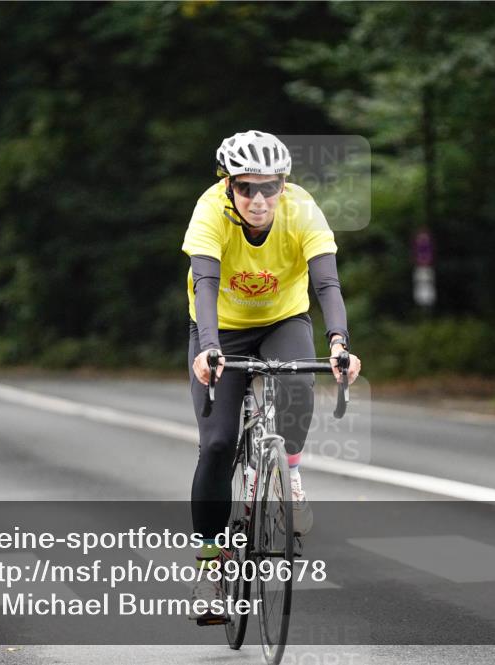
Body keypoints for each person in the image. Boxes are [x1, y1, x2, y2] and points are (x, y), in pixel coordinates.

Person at [182, 130, 361, 619]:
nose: (259, 199)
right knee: (217, 444)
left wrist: (340, 344)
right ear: (228, 185)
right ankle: (210, 571)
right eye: (246, 188)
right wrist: (210, 349)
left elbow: (326, 282)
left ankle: (292, 473)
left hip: (283, 318)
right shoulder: (209, 211)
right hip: (221, 326)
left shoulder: (302, 208)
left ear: (284, 184)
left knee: (301, 383)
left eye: (270, 186)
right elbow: (205, 282)